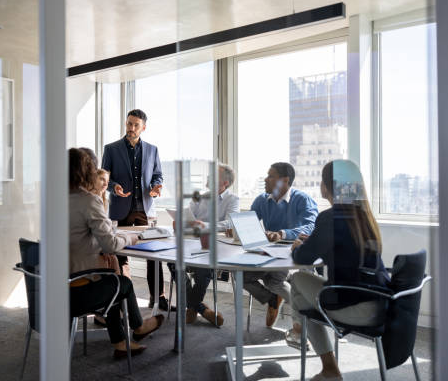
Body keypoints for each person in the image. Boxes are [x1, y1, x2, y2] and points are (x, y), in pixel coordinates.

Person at [290, 159, 390, 381]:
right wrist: (315, 240)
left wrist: (299, 245)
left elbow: (302, 258)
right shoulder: (364, 217)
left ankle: (302, 335)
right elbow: (342, 247)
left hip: (354, 307)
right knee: (303, 301)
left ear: (326, 187)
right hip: (382, 303)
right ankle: (302, 334)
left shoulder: (329, 218)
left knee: (297, 280)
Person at [69, 148, 164, 358]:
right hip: (76, 292)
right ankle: (138, 327)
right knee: (124, 283)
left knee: (111, 277)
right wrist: (132, 238)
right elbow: (112, 244)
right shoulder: (88, 200)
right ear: (87, 171)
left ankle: (120, 343)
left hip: (53, 287)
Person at [101, 109, 172, 311]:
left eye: (135, 125)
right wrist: (113, 186)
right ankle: (125, 298)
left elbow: (158, 176)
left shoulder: (152, 150)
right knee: (121, 254)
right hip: (120, 208)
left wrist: (156, 187)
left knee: (153, 253)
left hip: (145, 209)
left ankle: (158, 297)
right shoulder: (111, 149)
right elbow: (104, 178)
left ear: (143, 127)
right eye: (129, 124)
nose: (131, 128)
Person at [243, 162, 318, 328]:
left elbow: (310, 227)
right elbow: (249, 222)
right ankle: (272, 299)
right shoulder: (261, 200)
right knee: (241, 276)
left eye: (271, 176)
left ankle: (305, 318)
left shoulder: (303, 199)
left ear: (284, 180)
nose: (265, 179)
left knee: (274, 281)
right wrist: (236, 229)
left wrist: (282, 234)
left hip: (291, 254)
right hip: (266, 253)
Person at [167, 164, 239, 326]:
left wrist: (206, 225)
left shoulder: (233, 200)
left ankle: (192, 306)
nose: (208, 177)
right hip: (191, 241)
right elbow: (188, 215)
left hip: (213, 245)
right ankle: (198, 306)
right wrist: (180, 221)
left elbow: (230, 222)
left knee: (203, 266)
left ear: (225, 183)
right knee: (172, 261)